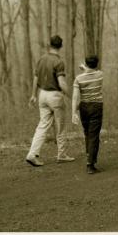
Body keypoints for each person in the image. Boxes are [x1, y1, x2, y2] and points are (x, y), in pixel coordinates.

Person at [26, 35, 75, 167]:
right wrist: (71, 95)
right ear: (61, 46)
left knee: (42, 125)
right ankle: (62, 154)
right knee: (60, 126)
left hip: (42, 94)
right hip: (54, 96)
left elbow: (36, 77)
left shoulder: (41, 59)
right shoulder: (58, 62)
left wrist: (33, 95)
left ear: (50, 45)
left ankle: (32, 154)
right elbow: (61, 83)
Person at [72, 55, 103, 174]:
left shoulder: (78, 79)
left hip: (83, 107)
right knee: (94, 135)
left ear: (86, 63)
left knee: (87, 134)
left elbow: (75, 96)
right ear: (96, 64)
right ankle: (90, 164)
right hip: (96, 106)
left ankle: (89, 158)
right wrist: (85, 68)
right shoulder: (100, 75)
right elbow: (92, 71)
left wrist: (73, 112)